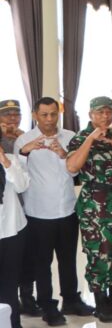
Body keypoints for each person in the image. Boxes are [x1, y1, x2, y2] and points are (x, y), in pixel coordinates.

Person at [14, 98, 93, 326]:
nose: (49, 120)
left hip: (67, 209)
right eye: (44, 115)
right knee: (42, 263)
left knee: (68, 259)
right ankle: (47, 306)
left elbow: (75, 172)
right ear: (35, 115)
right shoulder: (24, 140)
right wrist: (25, 153)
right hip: (39, 213)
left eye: (53, 114)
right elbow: (18, 176)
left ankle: (70, 300)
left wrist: (64, 154)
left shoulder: (69, 136)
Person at [66, 96, 112, 323]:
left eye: (108, 112)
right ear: (90, 115)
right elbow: (71, 167)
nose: (105, 116)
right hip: (95, 205)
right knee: (99, 253)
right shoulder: (80, 137)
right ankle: (100, 303)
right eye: (99, 112)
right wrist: (90, 138)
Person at [0, 127, 30, 328]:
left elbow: (22, 186)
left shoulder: (12, 159)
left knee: (10, 284)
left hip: (12, 231)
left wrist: (6, 162)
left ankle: (13, 323)